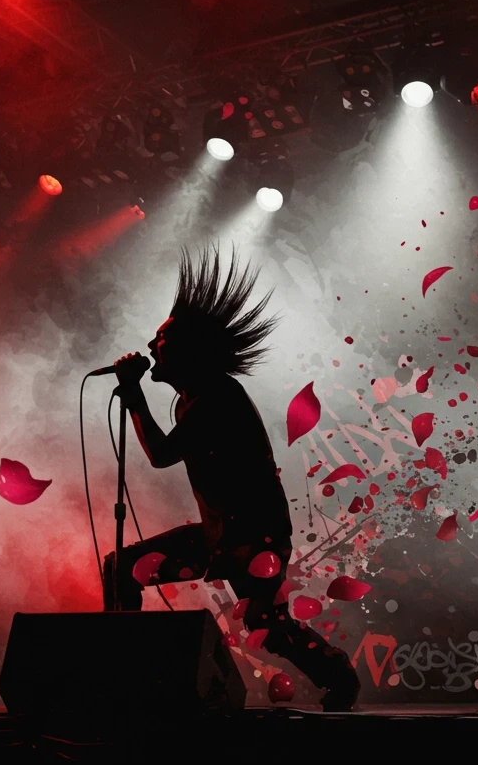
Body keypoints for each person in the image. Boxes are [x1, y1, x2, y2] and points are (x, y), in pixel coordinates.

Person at [105, 245, 361, 710]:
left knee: (267, 622)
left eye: (161, 338)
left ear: (186, 351)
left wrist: (133, 391)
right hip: (222, 534)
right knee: (122, 567)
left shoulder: (219, 396)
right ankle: (126, 675)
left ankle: (339, 676)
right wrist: (135, 392)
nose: (149, 346)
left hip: (253, 536)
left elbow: (161, 455)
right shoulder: (195, 397)